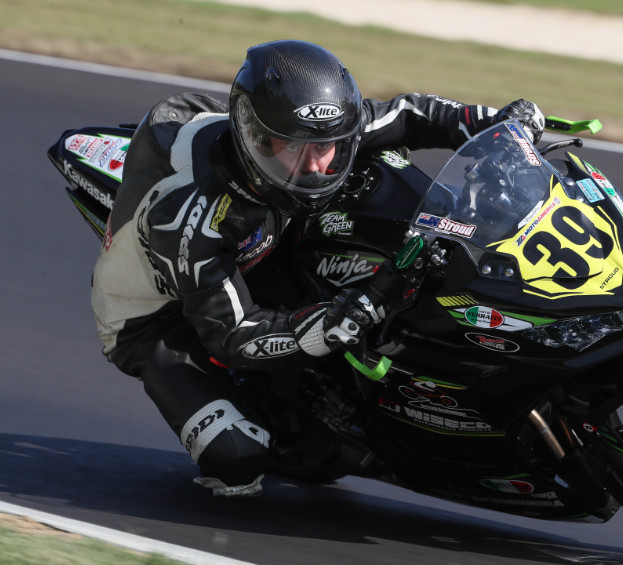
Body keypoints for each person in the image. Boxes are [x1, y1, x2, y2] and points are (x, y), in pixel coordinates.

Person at [92, 39, 546, 496]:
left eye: (327, 146)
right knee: (236, 458)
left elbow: (408, 114)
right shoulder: (194, 219)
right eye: (293, 148)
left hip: (264, 245)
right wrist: (338, 319)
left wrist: (493, 122)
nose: (315, 166)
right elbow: (232, 335)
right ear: (254, 139)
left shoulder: (316, 130)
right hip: (159, 321)